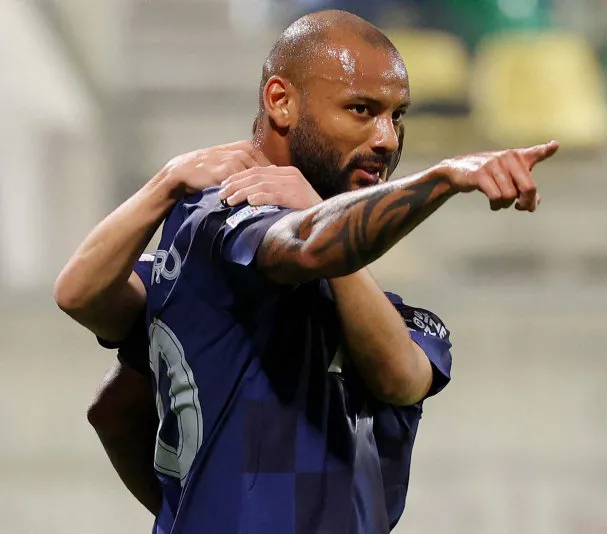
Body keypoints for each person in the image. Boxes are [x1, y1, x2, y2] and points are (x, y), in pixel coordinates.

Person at [55, 10, 558, 533]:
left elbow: (401, 377)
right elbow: (82, 297)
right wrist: (444, 179)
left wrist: (186, 514)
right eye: (361, 110)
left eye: (397, 115)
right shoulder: (226, 218)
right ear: (281, 101)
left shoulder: (394, 320)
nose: (388, 138)